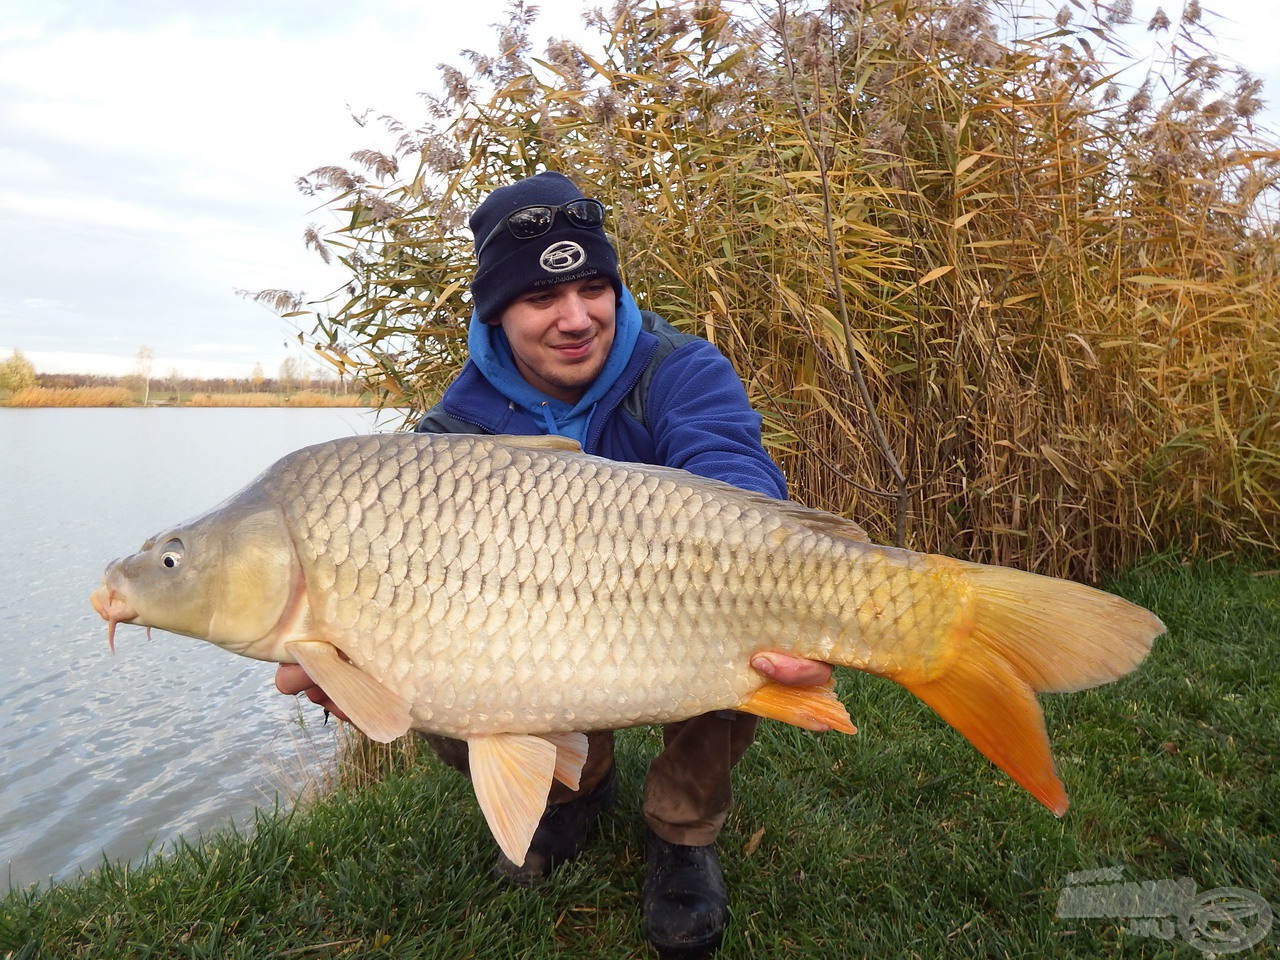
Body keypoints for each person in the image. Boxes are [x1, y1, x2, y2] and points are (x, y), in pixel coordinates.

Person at [275, 171, 832, 959]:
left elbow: (732, 470)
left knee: (736, 609)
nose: (577, 319)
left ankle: (682, 829)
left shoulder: (678, 368)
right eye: (542, 299)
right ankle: (577, 783)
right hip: (536, 624)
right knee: (429, 668)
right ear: (496, 311)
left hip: (675, 599)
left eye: (594, 287)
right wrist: (358, 658)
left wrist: (769, 575)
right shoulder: (455, 429)